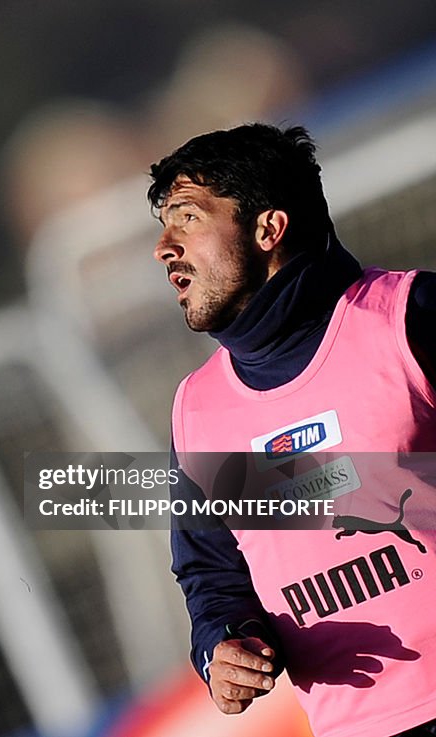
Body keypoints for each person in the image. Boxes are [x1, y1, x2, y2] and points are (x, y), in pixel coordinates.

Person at [148, 123, 436, 737]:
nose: (164, 247)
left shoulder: (408, 321)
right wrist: (224, 648)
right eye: (163, 226)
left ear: (268, 229)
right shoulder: (196, 409)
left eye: (189, 218)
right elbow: (213, 576)